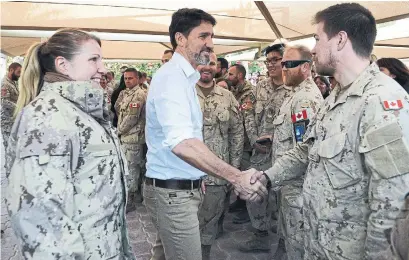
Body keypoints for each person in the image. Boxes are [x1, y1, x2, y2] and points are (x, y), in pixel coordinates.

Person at [250, 3, 409, 259]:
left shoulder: (380, 101)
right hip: (318, 243)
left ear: (340, 40)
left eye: (317, 39)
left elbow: (393, 201)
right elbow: (306, 150)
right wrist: (267, 177)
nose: (313, 50)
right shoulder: (336, 97)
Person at [144, 8, 267, 260]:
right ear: (180, 39)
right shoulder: (172, 79)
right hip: (173, 195)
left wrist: (198, 174)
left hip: (179, 189)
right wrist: (236, 176)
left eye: (211, 37)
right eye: (203, 36)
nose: (210, 45)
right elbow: (182, 143)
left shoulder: (184, 78)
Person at [5, 28, 134, 259]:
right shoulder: (47, 117)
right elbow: (41, 218)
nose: (103, 68)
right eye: (94, 59)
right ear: (63, 65)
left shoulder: (82, 110)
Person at [239, 43, 293, 253]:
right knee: (256, 194)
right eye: (267, 60)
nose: (270, 64)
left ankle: (282, 243)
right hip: (260, 152)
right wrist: (254, 140)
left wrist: (274, 139)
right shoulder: (260, 86)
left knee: (283, 198)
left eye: (275, 60)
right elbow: (249, 115)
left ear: (285, 61)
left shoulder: (295, 89)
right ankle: (260, 235)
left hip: (285, 154)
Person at [272, 45, 323, 260]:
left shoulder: (305, 99)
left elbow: (305, 148)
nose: (283, 68)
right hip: (288, 185)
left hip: (297, 188)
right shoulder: (295, 94)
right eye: (282, 64)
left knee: (298, 247)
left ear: (305, 67)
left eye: (288, 64)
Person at [196, 52, 244, 259]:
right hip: (186, 174)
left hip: (216, 175)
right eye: (202, 62)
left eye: (212, 63)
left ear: (217, 68)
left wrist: (233, 171)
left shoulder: (227, 97)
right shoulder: (183, 94)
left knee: (208, 227)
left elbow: (236, 133)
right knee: (183, 229)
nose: (206, 67)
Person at [226, 63, 255, 224]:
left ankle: (246, 209)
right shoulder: (234, 91)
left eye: (231, 74)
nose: (228, 77)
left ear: (240, 76)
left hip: (245, 143)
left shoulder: (249, 93)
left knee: (245, 174)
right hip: (236, 141)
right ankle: (239, 201)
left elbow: (246, 119)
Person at [115, 68, 147, 212]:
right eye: (126, 78)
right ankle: (132, 196)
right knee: (127, 167)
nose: (127, 81)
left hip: (133, 138)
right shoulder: (124, 93)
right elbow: (116, 108)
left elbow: (132, 118)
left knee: (132, 169)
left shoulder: (139, 94)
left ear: (138, 79)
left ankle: (131, 198)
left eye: (131, 78)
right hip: (125, 137)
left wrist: (119, 131)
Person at [1, 62, 21, 147]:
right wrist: (19, 108)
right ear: (11, 70)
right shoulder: (4, 84)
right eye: (18, 72)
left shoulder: (13, 82)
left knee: (14, 147)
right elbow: (4, 102)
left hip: (13, 120)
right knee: (9, 148)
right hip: (7, 122)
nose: (19, 75)